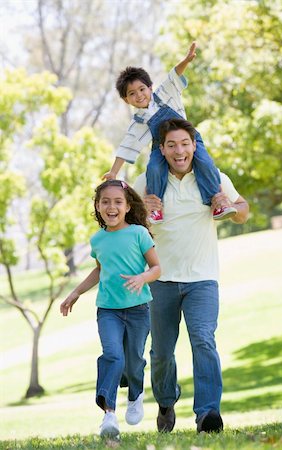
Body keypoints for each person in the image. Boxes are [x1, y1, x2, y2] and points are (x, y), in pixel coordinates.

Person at [134, 118, 249, 434]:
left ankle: (208, 414)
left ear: (194, 146)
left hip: (202, 278)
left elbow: (243, 211)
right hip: (160, 280)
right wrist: (140, 211)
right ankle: (167, 401)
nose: (179, 150)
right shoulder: (146, 181)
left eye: (184, 143)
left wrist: (229, 205)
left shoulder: (213, 179)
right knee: (160, 354)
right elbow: (121, 223)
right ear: (162, 149)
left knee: (203, 340)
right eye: (171, 145)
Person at [60, 180, 161, 439]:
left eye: (118, 202)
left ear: (128, 206)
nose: (111, 206)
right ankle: (108, 414)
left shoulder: (139, 233)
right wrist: (76, 292)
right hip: (108, 310)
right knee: (113, 355)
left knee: (134, 360)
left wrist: (142, 278)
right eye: (105, 201)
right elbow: (100, 269)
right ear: (97, 206)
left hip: (138, 309)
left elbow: (157, 268)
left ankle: (135, 394)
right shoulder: (98, 239)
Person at [102, 42, 236, 223]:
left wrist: (186, 60)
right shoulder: (138, 123)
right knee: (154, 168)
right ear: (127, 100)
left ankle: (216, 201)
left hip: (189, 139)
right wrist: (113, 172)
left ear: (150, 87)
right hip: (161, 147)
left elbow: (174, 74)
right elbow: (126, 147)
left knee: (205, 162)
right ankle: (156, 209)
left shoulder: (165, 94)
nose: (139, 95)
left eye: (142, 89)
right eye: (132, 94)